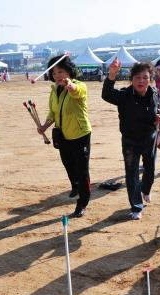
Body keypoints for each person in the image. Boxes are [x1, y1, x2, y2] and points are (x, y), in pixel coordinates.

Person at [102, 58, 160, 220]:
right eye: (137, 77)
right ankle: (136, 206)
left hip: (149, 138)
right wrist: (112, 75)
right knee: (131, 173)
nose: (141, 81)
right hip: (130, 140)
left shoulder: (155, 93)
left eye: (145, 77)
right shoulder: (125, 95)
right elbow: (106, 94)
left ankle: (146, 190)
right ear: (132, 79)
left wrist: (159, 117)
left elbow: (157, 110)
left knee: (150, 169)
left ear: (150, 79)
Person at [36, 55, 92, 218]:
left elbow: (76, 92)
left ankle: (83, 201)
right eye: (54, 73)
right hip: (62, 134)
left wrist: (69, 85)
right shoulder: (54, 90)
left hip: (80, 134)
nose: (57, 76)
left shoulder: (79, 85)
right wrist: (45, 126)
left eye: (60, 72)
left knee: (82, 171)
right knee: (68, 164)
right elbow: (53, 111)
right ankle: (75, 185)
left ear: (69, 72)